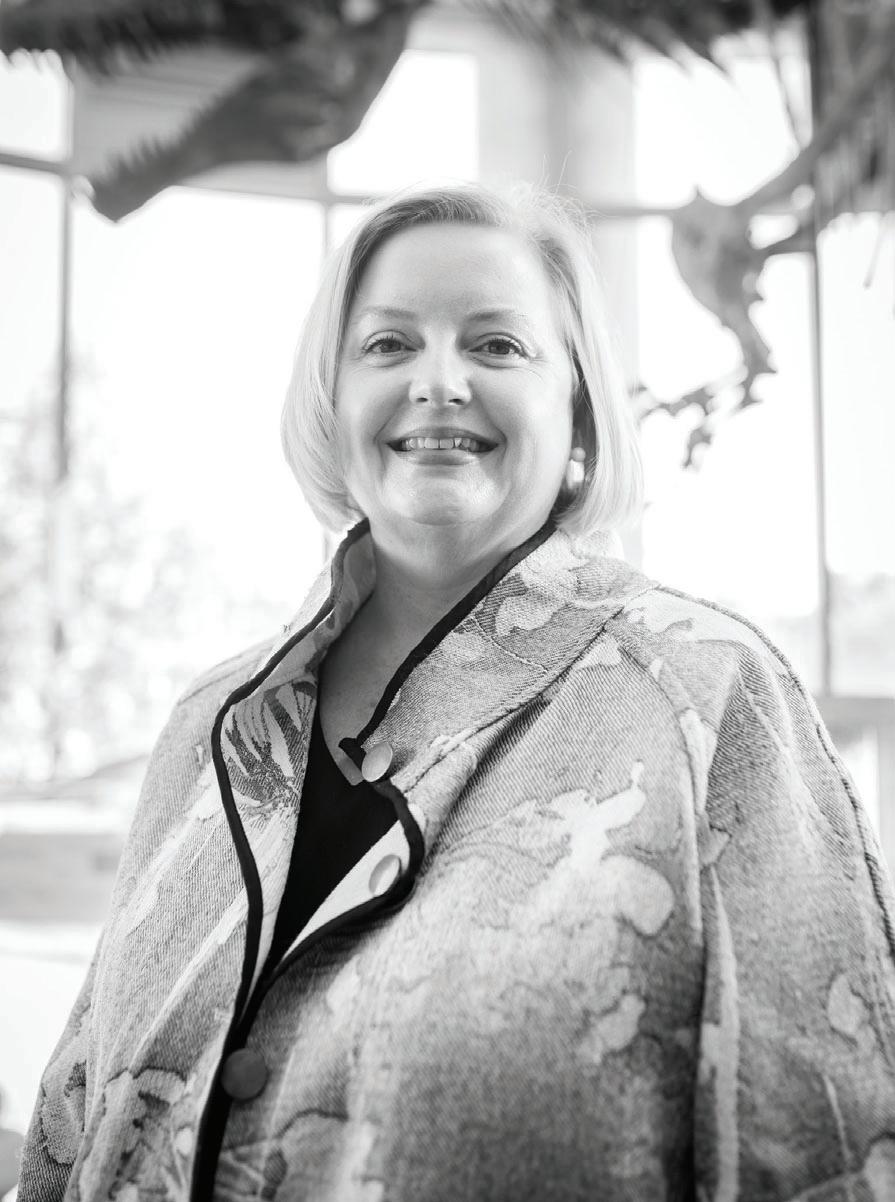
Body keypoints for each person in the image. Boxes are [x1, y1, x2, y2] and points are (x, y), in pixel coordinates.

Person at [16, 181, 895, 1202]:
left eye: (496, 345)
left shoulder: (711, 691)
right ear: (332, 401)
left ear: (577, 407)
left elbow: (827, 1158)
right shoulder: (209, 723)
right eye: (388, 344)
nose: (437, 380)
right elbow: (69, 1133)